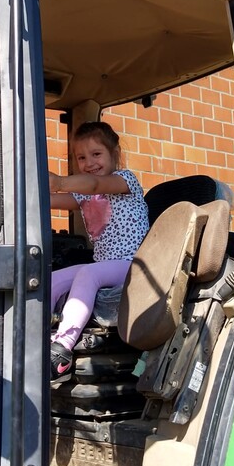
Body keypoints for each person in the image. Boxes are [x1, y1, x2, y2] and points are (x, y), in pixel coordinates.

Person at [48, 121, 149, 385]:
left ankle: (62, 348)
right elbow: (48, 201)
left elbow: (93, 184)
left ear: (114, 153)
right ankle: (28, 337)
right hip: (105, 265)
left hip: (132, 264)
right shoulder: (84, 198)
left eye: (96, 154)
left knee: (86, 274)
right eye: (81, 157)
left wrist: (58, 181)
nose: (89, 162)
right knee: (51, 279)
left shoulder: (125, 181)